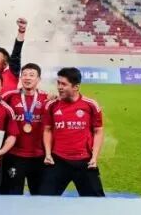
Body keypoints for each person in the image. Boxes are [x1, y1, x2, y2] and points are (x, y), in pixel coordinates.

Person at [40, 67, 105, 197]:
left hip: (85, 161)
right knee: (44, 199)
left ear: (76, 87)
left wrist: (94, 157)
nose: (59, 87)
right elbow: (47, 130)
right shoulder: (51, 105)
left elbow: (98, 131)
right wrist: (48, 154)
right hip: (58, 160)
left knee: (96, 202)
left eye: (64, 84)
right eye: (58, 83)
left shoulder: (91, 105)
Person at [1, 63, 49, 195]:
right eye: (25, 75)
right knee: (12, 195)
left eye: (32, 75)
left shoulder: (47, 98)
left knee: (39, 195)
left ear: (39, 79)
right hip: (14, 155)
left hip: (39, 156)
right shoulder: (9, 96)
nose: (27, 78)